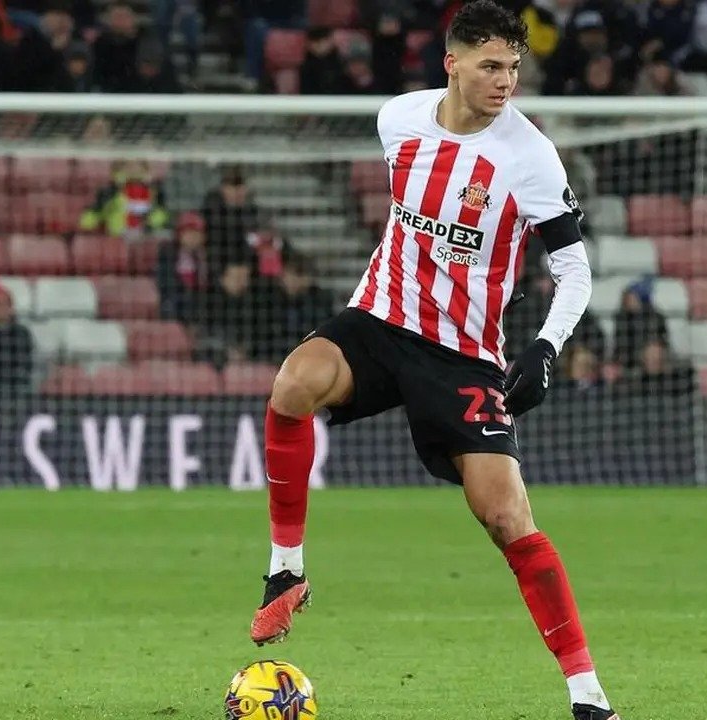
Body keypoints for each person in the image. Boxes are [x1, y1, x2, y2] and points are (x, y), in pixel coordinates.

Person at [247, 5, 616, 720]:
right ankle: (285, 570)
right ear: (452, 63)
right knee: (293, 383)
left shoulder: (531, 156)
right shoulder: (399, 120)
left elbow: (574, 270)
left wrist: (545, 346)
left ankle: (588, 695)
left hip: (463, 356)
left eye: (513, 67)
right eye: (490, 66)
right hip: (381, 321)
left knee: (505, 516)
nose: (505, 81)